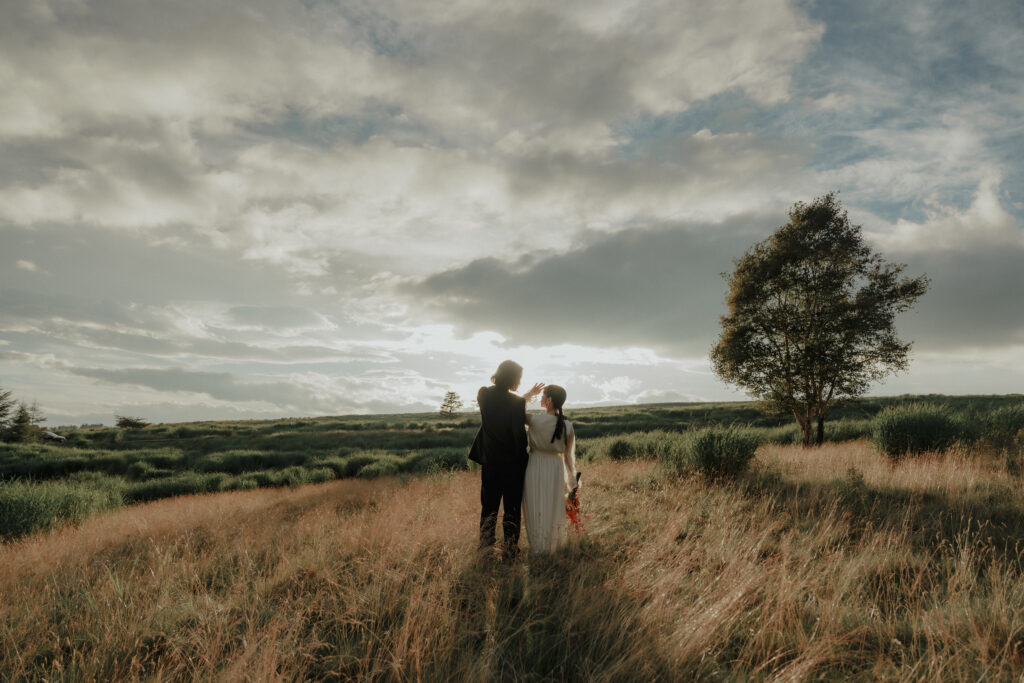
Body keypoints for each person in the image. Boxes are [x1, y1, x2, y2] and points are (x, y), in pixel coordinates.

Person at [475, 360, 543, 561]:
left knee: (489, 507)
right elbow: (518, 435)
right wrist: (524, 459)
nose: (519, 382)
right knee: (512, 508)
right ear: (513, 378)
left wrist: (528, 395)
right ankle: (510, 551)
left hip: (490, 462)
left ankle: (485, 549)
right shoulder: (516, 403)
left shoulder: (483, 394)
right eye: (519, 378)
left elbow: (501, 407)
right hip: (512, 463)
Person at [522, 385, 578, 554]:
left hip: (534, 464)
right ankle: (552, 543)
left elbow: (515, 409)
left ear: (549, 400)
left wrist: (529, 394)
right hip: (555, 467)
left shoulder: (534, 420)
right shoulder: (567, 425)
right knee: (553, 504)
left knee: (534, 503)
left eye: (543, 394)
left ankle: (538, 545)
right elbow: (568, 457)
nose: (540, 397)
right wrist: (572, 480)